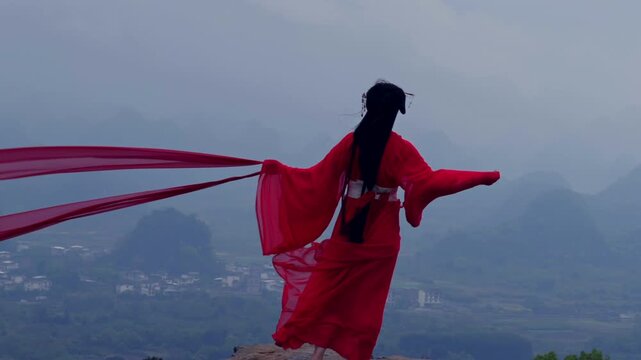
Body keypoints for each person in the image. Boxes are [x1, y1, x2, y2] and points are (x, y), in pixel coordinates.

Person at [255, 80, 501, 360]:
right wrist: (480, 178)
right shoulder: (400, 149)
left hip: (349, 227)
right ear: (397, 112)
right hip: (381, 233)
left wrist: (278, 171)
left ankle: (318, 354)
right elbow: (429, 182)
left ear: (367, 106)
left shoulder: (352, 143)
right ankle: (357, 352)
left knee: (328, 287)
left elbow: (315, 178)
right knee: (367, 299)